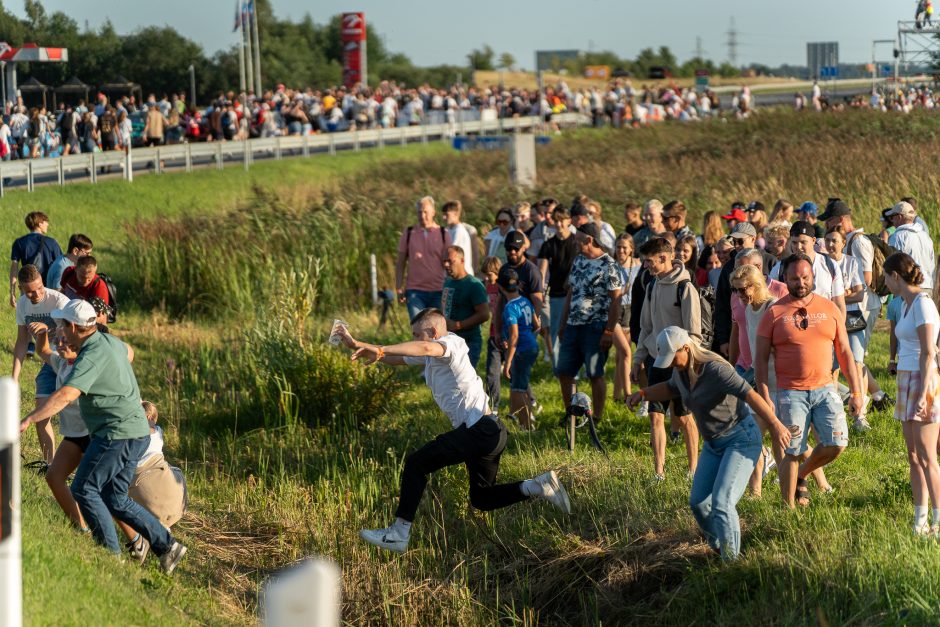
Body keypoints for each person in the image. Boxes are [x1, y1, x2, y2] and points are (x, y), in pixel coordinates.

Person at [338, 310, 570, 554]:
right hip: (489, 432)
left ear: (434, 332)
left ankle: (399, 533)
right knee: (482, 498)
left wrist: (381, 348)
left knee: (417, 463)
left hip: (480, 430)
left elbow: (426, 349)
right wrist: (366, 348)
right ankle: (538, 486)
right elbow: (401, 358)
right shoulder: (431, 355)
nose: (415, 340)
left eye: (417, 335)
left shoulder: (450, 343)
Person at [18, 299, 187, 572]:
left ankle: (111, 558)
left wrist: (29, 418)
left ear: (74, 327)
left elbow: (67, 395)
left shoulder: (91, 355)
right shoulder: (110, 344)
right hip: (132, 432)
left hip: (117, 433)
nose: (60, 328)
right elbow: (127, 352)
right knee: (114, 497)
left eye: (62, 324)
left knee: (84, 489)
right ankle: (167, 546)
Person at [628, 326, 791, 560]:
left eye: (673, 358)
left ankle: (731, 562)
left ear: (686, 348)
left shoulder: (715, 369)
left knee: (722, 503)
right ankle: (718, 545)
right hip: (713, 445)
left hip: (740, 440)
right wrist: (643, 394)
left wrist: (775, 424)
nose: (671, 364)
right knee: (698, 504)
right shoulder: (681, 372)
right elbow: (671, 388)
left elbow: (750, 395)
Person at [754, 254, 863, 508]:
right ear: (785, 279)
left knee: (837, 443)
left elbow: (845, 352)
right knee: (791, 449)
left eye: (805, 277)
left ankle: (803, 473)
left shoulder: (829, 308)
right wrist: (765, 395)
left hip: (826, 388)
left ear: (813, 277)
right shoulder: (774, 313)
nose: (800, 282)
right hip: (790, 392)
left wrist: (857, 392)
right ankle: (787, 509)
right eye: (795, 278)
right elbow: (759, 360)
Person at [633, 237, 701, 480]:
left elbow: (694, 333)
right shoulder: (651, 286)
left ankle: (693, 469)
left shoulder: (685, 288)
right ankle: (659, 472)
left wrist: (690, 366)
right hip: (655, 360)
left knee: (683, 417)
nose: (646, 266)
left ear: (664, 258)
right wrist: (638, 358)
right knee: (655, 416)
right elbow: (646, 327)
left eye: (650, 262)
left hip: (681, 364)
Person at [883, 252, 940, 534]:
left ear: (895, 276)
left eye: (885, 277)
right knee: (913, 455)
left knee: (929, 456)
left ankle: (938, 522)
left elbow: (929, 352)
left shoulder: (923, 304)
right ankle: (919, 520)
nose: (884, 282)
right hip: (906, 378)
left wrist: (922, 396)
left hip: (924, 380)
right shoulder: (903, 304)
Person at [556, 223, 623, 424]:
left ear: (589, 240)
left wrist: (609, 331)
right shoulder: (578, 260)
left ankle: (597, 417)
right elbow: (571, 292)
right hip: (573, 326)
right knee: (564, 371)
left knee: (595, 373)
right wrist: (562, 323)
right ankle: (571, 413)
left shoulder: (609, 265)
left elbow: (616, 300)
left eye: (578, 240)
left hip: (596, 326)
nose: (575, 243)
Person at [13, 265, 70, 465]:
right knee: (40, 417)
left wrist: (47, 328)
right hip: (49, 363)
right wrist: (14, 377)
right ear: (21, 289)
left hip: (69, 362)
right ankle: (50, 466)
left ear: (42, 282)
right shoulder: (22, 304)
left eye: (39, 288)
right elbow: (22, 341)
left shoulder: (59, 301)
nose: (36, 294)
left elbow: (75, 336)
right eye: (29, 291)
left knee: (75, 422)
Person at [396, 196, 452, 321]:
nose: (422, 215)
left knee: (437, 331)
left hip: (438, 290)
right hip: (415, 291)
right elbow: (400, 263)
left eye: (425, 212)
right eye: (419, 212)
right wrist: (399, 288)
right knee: (419, 328)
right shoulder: (409, 233)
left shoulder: (443, 233)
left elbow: (449, 264)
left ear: (433, 212)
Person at [499, 269, 540, 429]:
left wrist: (507, 362)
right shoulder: (525, 301)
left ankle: (528, 426)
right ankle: (521, 420)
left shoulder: (510, 308)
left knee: (518, 390)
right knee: (520, 387)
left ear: (501, 288)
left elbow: (514, 336)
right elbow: (536, 325)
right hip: (532, 346)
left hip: (522, 350)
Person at [538, 206, 579, 362]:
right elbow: (542, 270)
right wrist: (540, 291)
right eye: (556, 221)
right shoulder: (548, 245)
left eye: (562, 220)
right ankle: (558, 365)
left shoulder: (577, 242)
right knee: (555, 330)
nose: (559, 224)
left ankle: (576, 366)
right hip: (556, 294)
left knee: (574, 331)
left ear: (569, 221)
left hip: (576, 295)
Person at [441, 246, 489, 369]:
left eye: (450, 261)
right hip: (449, 340)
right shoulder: (447, 282)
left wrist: (459, 325)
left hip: (468, 342)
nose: (446, 264)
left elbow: (484, 314)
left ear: (462, 260)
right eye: (444, 261)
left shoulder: (474, 285)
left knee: (463, 382)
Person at [9, 211, 63, 307]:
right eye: (46, 222)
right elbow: (61, 267)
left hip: (28, 289)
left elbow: (14, 268)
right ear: (40, 223)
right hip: (48, 289)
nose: (48, 224)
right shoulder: (51, 242)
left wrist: (12, 292)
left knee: (28, 318)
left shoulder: (19, 242)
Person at [886, 201, 935, 298]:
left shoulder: (897, 237)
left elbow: (892, 265)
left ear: (899, 217)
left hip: (908, 289)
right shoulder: (925, 236)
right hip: (928, 287)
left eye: (892, 217)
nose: (892, 221)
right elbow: (932, 264)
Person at [613, 235, 641, 403]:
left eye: (624, 247)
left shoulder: (638, 266)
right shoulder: (611, 266)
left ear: (631, 248)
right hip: (616, 310)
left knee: (620, 357)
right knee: (625, 352)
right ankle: (627, 395)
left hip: (632, 309)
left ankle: (616, 396)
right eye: (618, 247)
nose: (621, 251)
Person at [441, 201, 475, 276]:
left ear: (456, 213)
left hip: (462, 276)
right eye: (443, 214)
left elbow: (451, 254)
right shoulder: (449, 230)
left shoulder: (459, 231)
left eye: (446, 214)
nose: (444, 217)